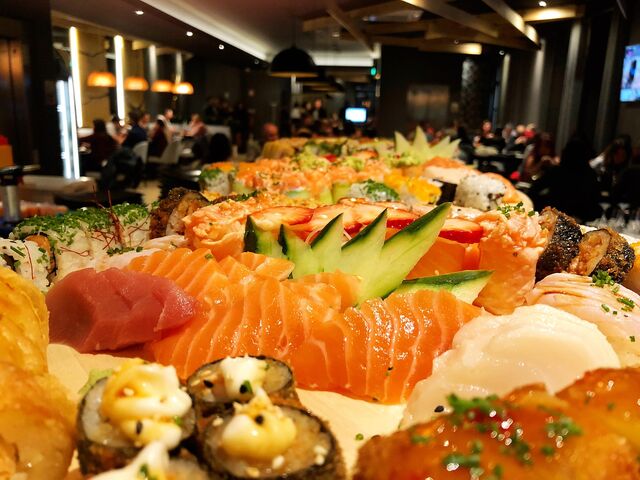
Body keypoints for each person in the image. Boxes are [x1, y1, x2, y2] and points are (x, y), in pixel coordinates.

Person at [529, 135, 601, 223]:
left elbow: (534, 189)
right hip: (580, 220)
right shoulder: (591, 175)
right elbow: (595, 201)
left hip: (555, 218)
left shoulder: (557, 171)